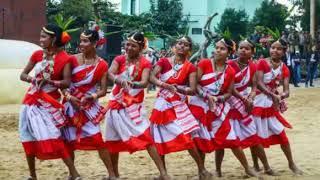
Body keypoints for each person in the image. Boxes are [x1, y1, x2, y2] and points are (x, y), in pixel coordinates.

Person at [189, 38, 258, 177]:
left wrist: (218, 98)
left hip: (217, 108)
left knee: (231, 138)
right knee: (200, 140)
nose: (217, 51)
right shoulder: (204, 63)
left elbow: (228, 93)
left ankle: (247, 168)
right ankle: (201, 171)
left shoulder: (230, 71)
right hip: (199, 107)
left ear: (229, 52)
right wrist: (205, 95)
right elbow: (194, 84)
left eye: (222, 49)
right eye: (217, 48)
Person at [19, 24, 81, 180]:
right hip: (30, 102)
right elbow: (23, 75)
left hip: (50, 104)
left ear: (53, 39)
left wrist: (52, 83)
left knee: (54, 136)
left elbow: (67, 82)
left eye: (44, 37)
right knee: (27, 137)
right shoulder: (37, 55)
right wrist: (34, 79)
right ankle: (32, 175)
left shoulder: (65, 58)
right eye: (40, 36)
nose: (40, 39)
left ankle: (74, 174)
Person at [104, 32, 169, 180]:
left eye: (133, 45)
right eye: (127, 44)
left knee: (146, 138)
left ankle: (163, 173)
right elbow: (109, 74)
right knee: (112, 139)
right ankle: (114, 174)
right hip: (116, 104)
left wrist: (132, 84)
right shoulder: (119, 59)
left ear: (140, 47)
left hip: (133, 106)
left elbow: (145, 82)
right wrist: (119, 81)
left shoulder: (145, 63)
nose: (129, 47)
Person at [149, 36, 211, 180]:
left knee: (186, 137)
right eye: (179, 43)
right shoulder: (163, 62)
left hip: (178, 106)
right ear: (175, 46)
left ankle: (202, 170)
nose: (182, 46)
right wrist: (163, 84)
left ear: (190, 49)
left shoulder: (190, 67)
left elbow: (192, 89)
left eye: (186, 45)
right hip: (161, 105)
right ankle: (163, 173)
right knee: (158, 138)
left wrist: (178, 89)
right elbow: (151, 77)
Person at [61, 30, 116, 179]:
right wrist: (69, 96)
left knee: (98, 140)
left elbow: (103, 90)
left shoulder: (102, 64)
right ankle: (72, 174)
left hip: (88, 108)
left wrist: (92, 96)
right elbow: (64, 83)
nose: (81, 44)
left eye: (85, 41)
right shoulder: (71, 60)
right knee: (67, 141)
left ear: (94, 44)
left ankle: (111, 174)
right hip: (70, 106)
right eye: (81, 40)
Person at [252, 39, 303, 175]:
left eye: (278, 48)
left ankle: (291, 164)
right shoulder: (262, 62)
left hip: (270, 105)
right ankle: (260, 166)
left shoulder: (284, 68)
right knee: (257, 137)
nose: (274, 50)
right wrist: (272, 94)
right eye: (272, 47)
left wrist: (281, 96)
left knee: (282, 136)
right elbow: (259, 83)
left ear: (284, 51)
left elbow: (287, 90)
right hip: (257, 103)